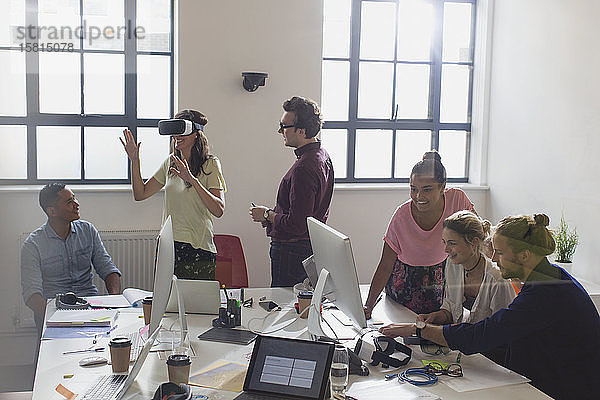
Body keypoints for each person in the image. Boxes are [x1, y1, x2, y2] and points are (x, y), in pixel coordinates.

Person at [379, 214, 600, 400]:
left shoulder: (545, 294)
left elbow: (484, 334)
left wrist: (418, 330)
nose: (493, 257)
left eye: (500, 252)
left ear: (524, 255)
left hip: (567, 389)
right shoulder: (551, 278)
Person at [364, 151, 474, 317]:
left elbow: (478, 234)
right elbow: (385, 265)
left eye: (427, 190)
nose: (418, 196)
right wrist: (368, 306)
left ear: (443, 186)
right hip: (406, 285)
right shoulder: (401, 216)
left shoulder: (457, 199)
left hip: (442, 278)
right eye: (413, 189)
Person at [121, 109, 226, 280]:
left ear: (196, 134)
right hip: (168, 244)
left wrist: (192, 180)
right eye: (174, 130)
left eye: (181, 129)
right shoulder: (170, 162)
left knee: (195, 305)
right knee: (168, 302)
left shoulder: (210, 164)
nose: (176, 135)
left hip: (197, 247)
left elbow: (219, 209)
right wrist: (135, 161)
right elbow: (140, 194)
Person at [249, 96, 334, 287]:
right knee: (300, 306)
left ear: (301, 131)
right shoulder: (322, 156)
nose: (280, 131)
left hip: (291, 251)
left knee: (284, 306)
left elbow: (297, 224)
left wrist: (266, 214)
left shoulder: (304, 167)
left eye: (284, 126)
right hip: (308, 247)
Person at [21, 183, 122, 326]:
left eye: (74, 198)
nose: (77, 204)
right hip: (53, 312)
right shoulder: (33, 245)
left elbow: (109, 270)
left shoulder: (88, 230)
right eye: (69, 202)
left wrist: (114, 300)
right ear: (52, 211)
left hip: (89, 306)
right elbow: (32, 295)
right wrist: (57, 320)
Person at [418, 210, 515, 325]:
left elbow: (501, 328)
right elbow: (450, 306)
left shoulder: (497, 280)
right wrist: (437, 316)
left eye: (452, 243)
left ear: (474, 242)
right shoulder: (453, 265)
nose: (446, 250)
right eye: (444, 242)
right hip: (464, 340)